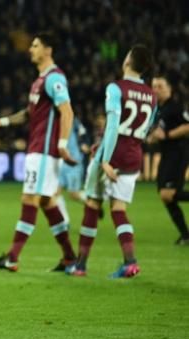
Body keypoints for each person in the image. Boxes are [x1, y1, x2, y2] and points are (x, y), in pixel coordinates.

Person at [0, 32, 78, 272]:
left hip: (44, 151)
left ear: (48, 50)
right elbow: (28, 113)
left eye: (35, 46)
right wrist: (0, 122)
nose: (30, 49)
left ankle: (12, 258)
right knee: (46, 202)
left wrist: (63, 144)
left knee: (29, 199)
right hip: (38, 149)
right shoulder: (39, 80)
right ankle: (69, 258)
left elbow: (67, 111)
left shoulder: (54, 78)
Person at [66, 45, 158, 277]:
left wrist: (105, 158)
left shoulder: (116, 88)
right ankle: (130, 262)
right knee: (119, 209)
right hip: (133, 156)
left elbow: (114, 125)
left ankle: (80, 265)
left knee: (92, 205)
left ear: (128, 61)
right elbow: (145, 130)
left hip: (112, 156)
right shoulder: (151, 95)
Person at [148, 76, 189, 245]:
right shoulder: (159, 109)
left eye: (160, 86)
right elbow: (158, 132)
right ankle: (186, 236)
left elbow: (187, 126)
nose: (156, 89)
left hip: (178, 154)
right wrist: (153, 138)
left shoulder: (175, 107)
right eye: (154, 86)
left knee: (168, 194)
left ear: (169, 89)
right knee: (165, 196)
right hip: (167, 155)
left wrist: (167, 135)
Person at [55, 117, 93, 224]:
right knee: (55, 192)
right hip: (61, 162)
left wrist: (84, 144)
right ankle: (65, 221)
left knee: (73, 195)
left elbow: (83, 133)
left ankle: (93, 201)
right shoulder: (53, 121)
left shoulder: (72, 120)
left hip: (74, 161)